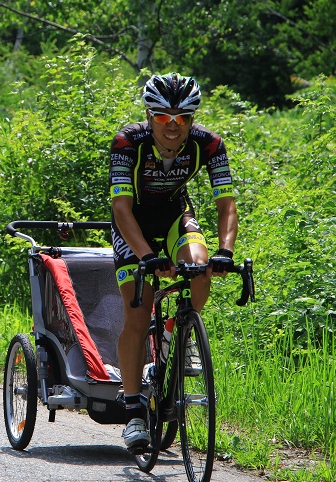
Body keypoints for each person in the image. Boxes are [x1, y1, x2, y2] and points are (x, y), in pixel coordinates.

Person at [108, 73, 238, 450]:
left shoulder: (209, 145)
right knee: (137, 311)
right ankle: (133, 412)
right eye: (163, 118)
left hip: (174, 219)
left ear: (192, 120)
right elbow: (120, 207)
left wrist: (225, 253)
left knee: (200, 270)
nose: (172, 127)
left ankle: (175, 332)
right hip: (131, 225)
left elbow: (226, 204)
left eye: (182, 119)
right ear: (149, 117)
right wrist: (148, 257)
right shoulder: (127, 142)